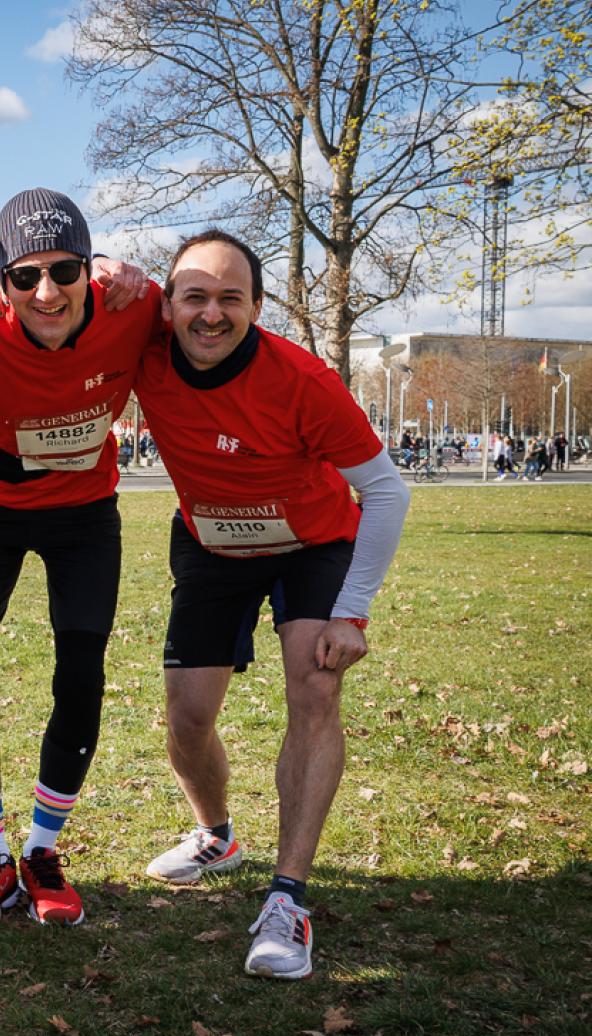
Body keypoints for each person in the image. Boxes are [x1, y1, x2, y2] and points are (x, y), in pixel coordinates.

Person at [135, 229, 408, 980]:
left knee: (313, 691)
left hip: (311, 545)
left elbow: (386, 491)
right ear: (168, 307)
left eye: (231, 297)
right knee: (188, 719)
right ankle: (216, 837)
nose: (211, 313)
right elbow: (69, 309)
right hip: (211, 544)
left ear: (258, 305)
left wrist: (353, 611)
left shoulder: (304, 379)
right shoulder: (146, 351)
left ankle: (288, 898)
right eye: (195, 296)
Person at [0, 189, 166, 933]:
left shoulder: (134, 304)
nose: (47, 291)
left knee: (81, 668)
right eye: (25, 275)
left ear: (90, 267)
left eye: (66, 270)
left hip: (83, 515)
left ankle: (42, 851)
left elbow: (207, 321)